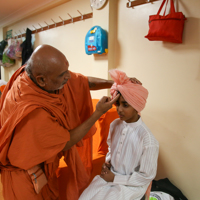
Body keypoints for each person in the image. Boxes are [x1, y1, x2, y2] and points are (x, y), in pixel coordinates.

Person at [0, 45, 140, 200]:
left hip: (42, 168)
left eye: (68, 69)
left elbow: (82, 82)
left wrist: (115, 84)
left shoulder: (38, 76)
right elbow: (66, 141)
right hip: (24, 177)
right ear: (41, 80)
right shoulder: (33, 110)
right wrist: (98, 112)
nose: (68, 76)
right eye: (63, 74)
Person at [79, 69, 159, 200]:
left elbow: (145, 177)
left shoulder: (148, 140)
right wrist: (108, 163)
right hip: (109, 177)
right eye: (117, 104)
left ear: (136, 106)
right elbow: (111, 148)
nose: (119, 109)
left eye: (125, 105)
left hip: (130, 186)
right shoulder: (115, 124)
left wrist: (116, 178)